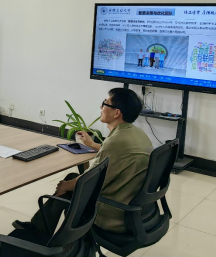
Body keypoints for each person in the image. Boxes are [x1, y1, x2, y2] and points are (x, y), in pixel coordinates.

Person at [12, 88, 152, 235]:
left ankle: (41, 234)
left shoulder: (116, 141)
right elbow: (116, 154)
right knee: (72, 179)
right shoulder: (135, 133)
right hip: (132, 205)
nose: (101, 107)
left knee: (69, 186)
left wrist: (65, 185)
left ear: (116, 113)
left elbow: (90, 179)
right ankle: (38, 229)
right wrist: (92, 144)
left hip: (114, 213)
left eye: (105, 103)